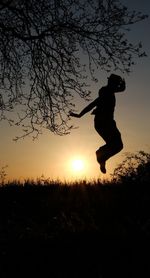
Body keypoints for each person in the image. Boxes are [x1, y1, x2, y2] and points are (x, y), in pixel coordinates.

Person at [70, 74, 126, 174]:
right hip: (103, 123)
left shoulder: (110, 90)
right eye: (116, 84)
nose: (117, 86)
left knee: (117, 145)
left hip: (107, 123)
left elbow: (121, 89)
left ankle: (102, 157)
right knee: (117, 145)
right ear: (112, 83)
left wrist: (123, 85)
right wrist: (79, 115)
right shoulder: (106, 93)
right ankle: (101, 155)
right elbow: (91, 105)